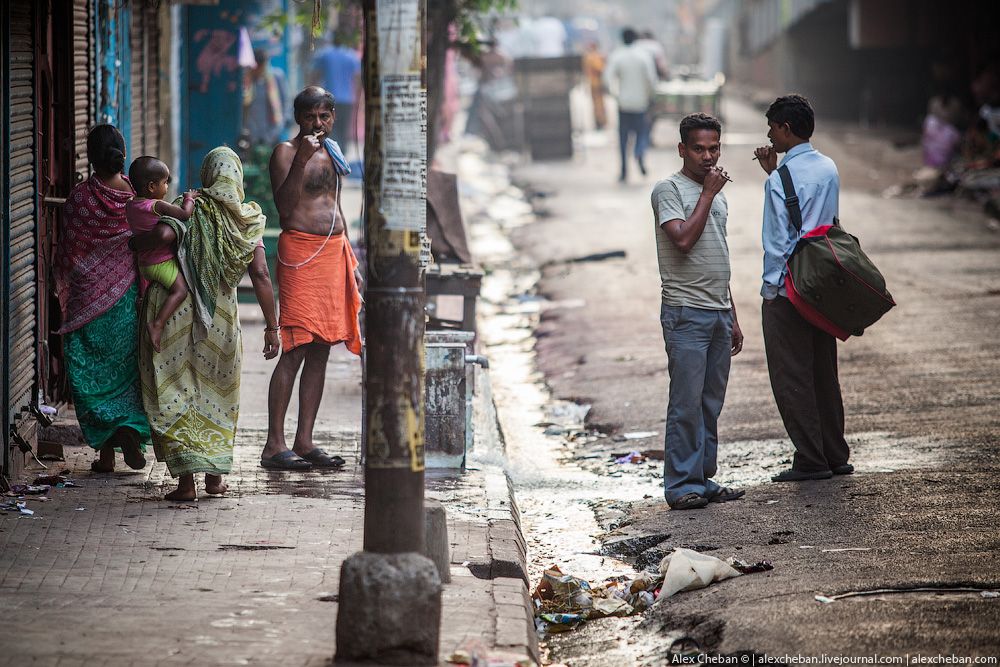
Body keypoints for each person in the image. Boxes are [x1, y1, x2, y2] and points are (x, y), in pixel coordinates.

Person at [131, 147, 279, 500]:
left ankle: (186, 484)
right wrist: (273, 326)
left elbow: (164, 236)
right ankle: (214, 478)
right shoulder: (247, 221)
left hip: (174, 314)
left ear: (207, 175)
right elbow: (259, 273)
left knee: (177, 390)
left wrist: (137, 243)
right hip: (220, 319)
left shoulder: (190, 204)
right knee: (217, 394)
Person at [260, 86, 363, 470]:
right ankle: (274, 444)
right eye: (310, 118)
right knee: (296, 347)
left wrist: (350, 256)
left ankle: (304, 440)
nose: (317, 124)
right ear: (298, 118)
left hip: (333, 253)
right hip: (301, 252)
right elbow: (284, 209)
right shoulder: (286, 153)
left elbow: (336, 206)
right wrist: (301, 158)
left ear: (333, 116)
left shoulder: (334, 152)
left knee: (321, 347)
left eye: (324, 117)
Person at [753, 94, 852, 482]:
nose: (769, 134)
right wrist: (773, 171)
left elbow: (777, 243)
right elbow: (815, 217)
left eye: (772, 128)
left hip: (790, 288)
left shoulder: (780, 180)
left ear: (786, 129)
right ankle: (834, 453)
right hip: (822, 282)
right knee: (823, 369)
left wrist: (770, 292)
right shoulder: (828, 166)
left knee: (792, 374)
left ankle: (811, 459)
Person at [651, 112, 745, 510]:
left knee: (710, 403)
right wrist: (706, 193)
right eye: (699, 148)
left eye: (714, 148)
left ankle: (703, 478)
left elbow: (718, 254)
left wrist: (733, 313)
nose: (708, 156)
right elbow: (684, 241)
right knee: (686, 403)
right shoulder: (668, 190)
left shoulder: (717, 194)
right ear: (682, 149)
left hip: (718, 311)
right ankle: (681, 485)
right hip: (686, 312)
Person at [53, 124, 151, 473]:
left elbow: (68, 251)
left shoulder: (79, 198)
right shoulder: (137, 196)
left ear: (91, 158)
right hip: (126, 300)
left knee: (89, 372)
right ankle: (129, 434)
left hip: (85, 303)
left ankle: (106, 455)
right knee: (126, 373)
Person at [126, 157, 198, 352]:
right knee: (181, 290)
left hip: (144, 265)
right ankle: (157, 324)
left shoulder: (131, 205)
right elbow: (184, 214)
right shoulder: (156, 205)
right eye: (165, 183)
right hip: (161, 263)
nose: (166, 187)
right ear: (151, 186)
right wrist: (189, 198)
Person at [604, 27, 657, 182]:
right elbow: (651, 79)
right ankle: (639, 152)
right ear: (636, 39)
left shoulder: (617, 56)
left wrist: (615, 95)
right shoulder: (643, 56)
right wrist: (650, 96)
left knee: (623, 138)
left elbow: (607, 78)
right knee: (642, 133)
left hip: (624, 104)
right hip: (640, 103)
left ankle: (623, 170)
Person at [310, 34, 361, 150]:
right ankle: (342, 156)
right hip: (347, 100)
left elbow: (315, 76)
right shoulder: (352, 56)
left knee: (329, 127)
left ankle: (331, 155)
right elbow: (357, 79)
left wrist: (312, 95)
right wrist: (358, 98)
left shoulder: (324, 55)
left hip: (328, 100)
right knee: (344, 129)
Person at [243, 48, 290, 148]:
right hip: (252, 134)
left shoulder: (277, 77)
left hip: (272, 132)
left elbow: (285, 101)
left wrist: (283, 123)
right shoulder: (247, 81)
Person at [582, 41, 607, 130]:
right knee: (598, 104)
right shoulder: (594, 57)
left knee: (597, 104)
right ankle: (600, 121)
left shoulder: (588, 57)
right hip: (597, 82)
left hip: (594, 83)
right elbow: (600, 68)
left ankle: (599, 121)